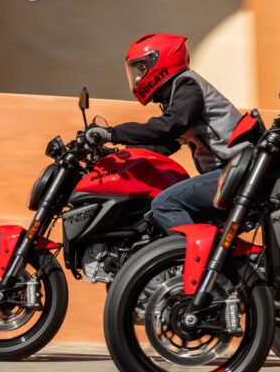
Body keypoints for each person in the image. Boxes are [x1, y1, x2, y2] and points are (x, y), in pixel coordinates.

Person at [85, 33, 245, 231]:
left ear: (160, 63)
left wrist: (112, 133)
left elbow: (168, 127)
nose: (137, 77)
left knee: (165, 204)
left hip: (235, 169)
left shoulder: (188, 85)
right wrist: (118, 156)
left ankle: (189, 249)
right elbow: (164, 145)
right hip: (230, 170)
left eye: (142, 69)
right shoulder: (180, 94)